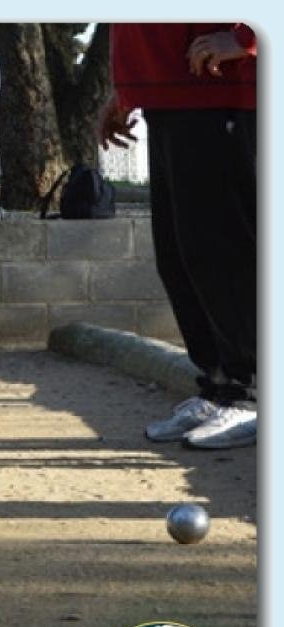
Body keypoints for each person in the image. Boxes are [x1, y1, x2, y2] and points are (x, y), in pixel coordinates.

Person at [99, 24, 256, 449]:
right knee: (180, 257)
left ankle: (252, 394)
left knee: (224, 255)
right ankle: (220, 388)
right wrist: (130, 89)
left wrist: (249, 37)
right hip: (168, 93)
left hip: (223, 90)